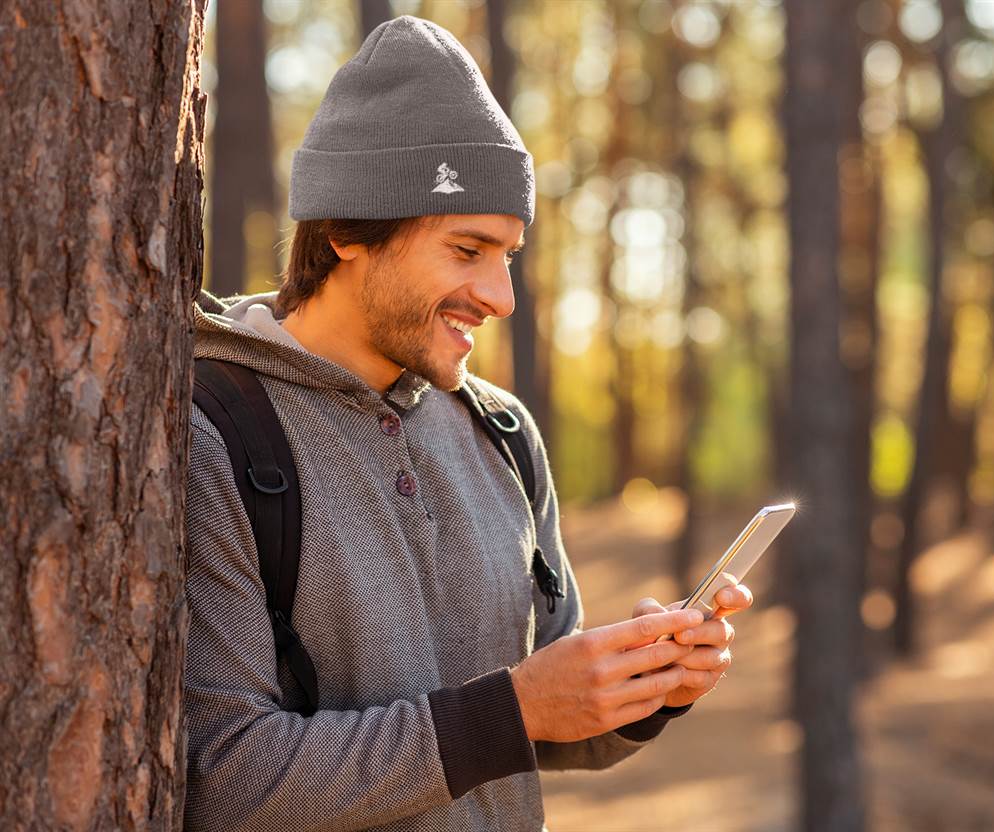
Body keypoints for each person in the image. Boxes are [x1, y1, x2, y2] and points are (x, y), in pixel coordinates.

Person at [184, 16, 753, 832]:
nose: (500, 297)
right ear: (347, 228)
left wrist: (641, 687)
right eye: (467, 250)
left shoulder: (502, 433)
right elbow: (225, 776)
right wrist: (512, 712)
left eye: (508, 256)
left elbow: (541, 724)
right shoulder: (218, 436)